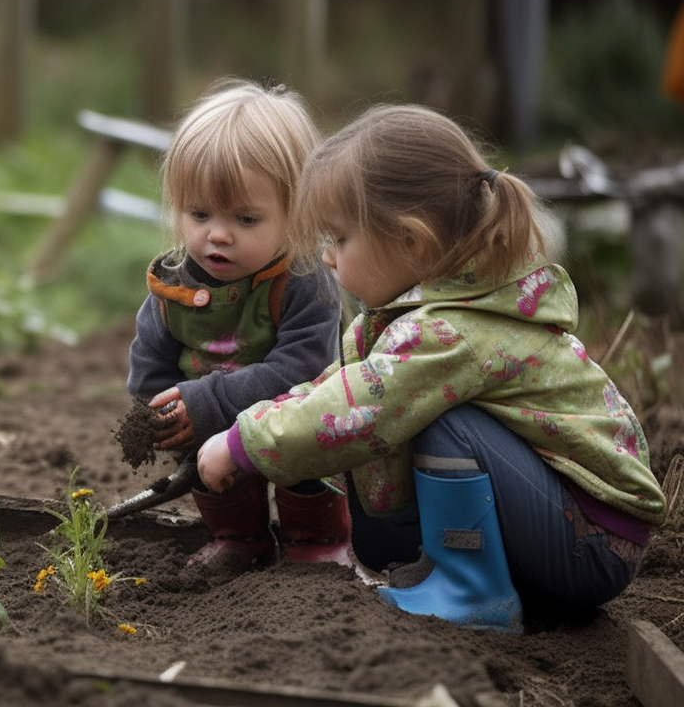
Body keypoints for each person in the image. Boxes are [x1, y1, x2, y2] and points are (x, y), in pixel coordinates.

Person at [197, 103, 667, 633]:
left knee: (437, 419)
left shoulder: (451, 333)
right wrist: (254, 424)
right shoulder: (422, 317)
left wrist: (243, 446)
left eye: (340, 239)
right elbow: (336, 389)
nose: (328, 258)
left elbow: (356, 410)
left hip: (591, 543)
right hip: (561, 526)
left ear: (411, 240)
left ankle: (471, 591)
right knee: (391, 455)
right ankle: (472, 576)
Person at [126, 78, 347, 570]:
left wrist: (210, 401)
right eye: (199, 213)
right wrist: (157, 415)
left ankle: (316, 538)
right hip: (215, 427)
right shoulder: (174, 287)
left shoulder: (305, 282)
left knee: (305, 456)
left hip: (293, 417)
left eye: (246, 220)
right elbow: (151, 358)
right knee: (210, 465)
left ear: (297, 213)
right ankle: (241, 539)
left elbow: (304, 367)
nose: (217, 235)